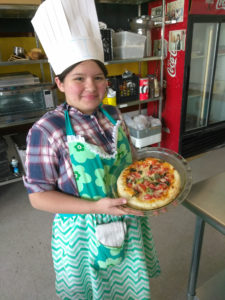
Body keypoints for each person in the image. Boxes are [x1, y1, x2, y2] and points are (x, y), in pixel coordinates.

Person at [23, 0, 160, 299]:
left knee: (128, 287)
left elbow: (131, 166)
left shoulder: (113, 115)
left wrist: (151, 192)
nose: (91, 87)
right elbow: (39, 198)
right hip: (81, 234)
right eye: (78, 78)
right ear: (59, 82)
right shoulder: (47, 130)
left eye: (98, 77)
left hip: (126, 216)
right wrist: (96, 207)